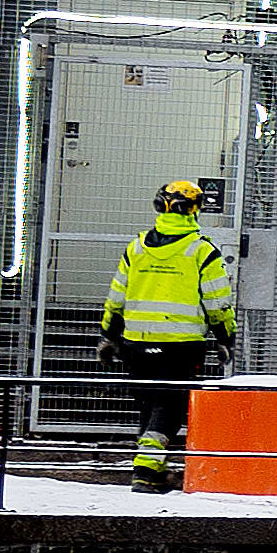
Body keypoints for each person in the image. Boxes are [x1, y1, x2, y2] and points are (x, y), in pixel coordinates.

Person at [97, 174, 237, 490]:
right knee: (170, 408)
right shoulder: (202, 252)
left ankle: (152, 470)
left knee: (149, 405)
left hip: (135, 345)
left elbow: (117, 296)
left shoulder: (137, 248)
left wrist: (108, 335)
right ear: (194, 210)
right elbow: (218, 303)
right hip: (181, 347)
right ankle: (145, 471)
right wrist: (225, 338)